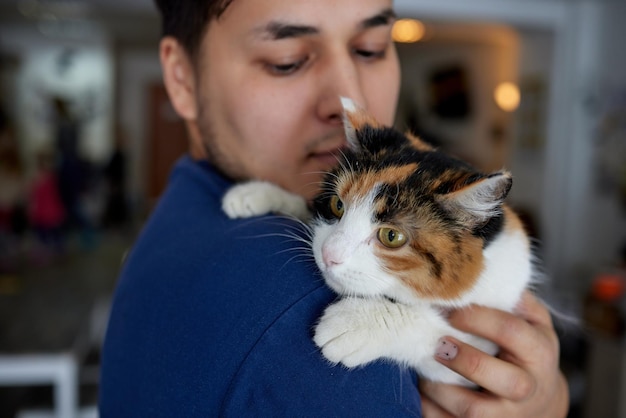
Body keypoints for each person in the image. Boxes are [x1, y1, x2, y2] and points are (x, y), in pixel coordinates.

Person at [99, 0, 569, 416]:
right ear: (180, 78)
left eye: (371, 48)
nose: (349, 98)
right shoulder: (304, 324)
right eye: (287, 61)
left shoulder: (177, 213)